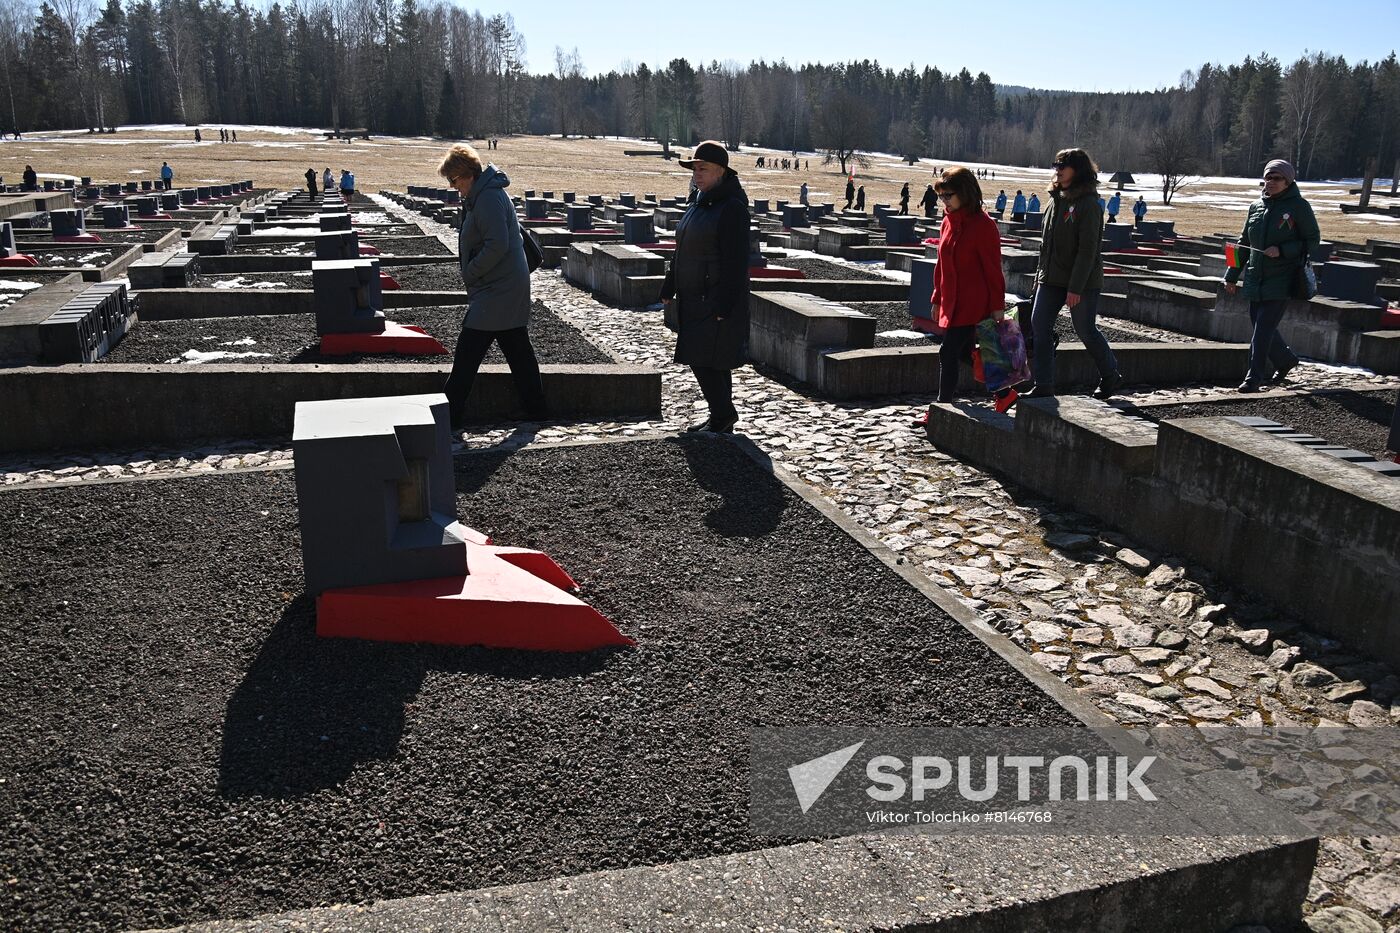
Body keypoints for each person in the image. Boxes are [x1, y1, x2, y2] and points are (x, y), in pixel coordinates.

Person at [437, 143, 548, 426]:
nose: (453, 187)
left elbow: (497, 244)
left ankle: (448, 415)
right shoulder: (484, 194)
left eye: (454, 180)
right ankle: (536, 409)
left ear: (467, 174)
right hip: (504, 286)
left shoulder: (486, 198)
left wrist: (471, 272)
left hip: (497, 289)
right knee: (517, 349)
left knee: (468, 350)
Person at [660, 140, 750, 433]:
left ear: (721, 171)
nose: (697, 174)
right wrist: (669, 285)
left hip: (713, 297)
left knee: (703, 357)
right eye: (695, 168)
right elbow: (682, 249)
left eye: (704, 169)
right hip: (693, 294)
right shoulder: (699, 202)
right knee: (713, 359)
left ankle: (723, 414)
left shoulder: (731, 207)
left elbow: (736, 261)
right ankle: (721, 415)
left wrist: (725, 304)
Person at [1025, 147, 1121, 400]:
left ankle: (1110, 375)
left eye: (1062, 167)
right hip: (1050, 278)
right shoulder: (1054, 200)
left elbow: (1088, 250)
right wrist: (1039, 278)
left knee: (1085, 330)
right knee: (1039, 327)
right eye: (1055, 166)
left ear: (1077, 170)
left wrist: (1075, 287)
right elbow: (1046, 246)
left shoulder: (1088, 204)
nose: (1057, 171)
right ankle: (1043, 384)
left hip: (1082, 282)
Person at [1223, 159, 1318, 392]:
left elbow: (1312, 240)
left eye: (1277, 178)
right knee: (1261, 327)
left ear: (1288, 181)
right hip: (1256, 278)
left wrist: (1283, 250)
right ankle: (1286, 360)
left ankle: (1253, 378)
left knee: (1262, 330)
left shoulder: (1299, 206)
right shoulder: (1255, 206)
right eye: (1268, 177)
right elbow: (1243, 243)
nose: (1272, 182)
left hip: (1283, 279)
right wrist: (1231, 274)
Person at [924, 166, 1006, 408]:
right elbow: (942, 263)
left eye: (948, 195)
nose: (943, 201)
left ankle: (941, 407)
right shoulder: (948, 221)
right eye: (941, 196)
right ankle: (1005, 392)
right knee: (963, 353)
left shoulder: (983, 225)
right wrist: (936, 298)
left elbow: (993, 271)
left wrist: (997, 307)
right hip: (952, 300)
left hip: (972, 303)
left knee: (947, 352)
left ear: (965, 192)